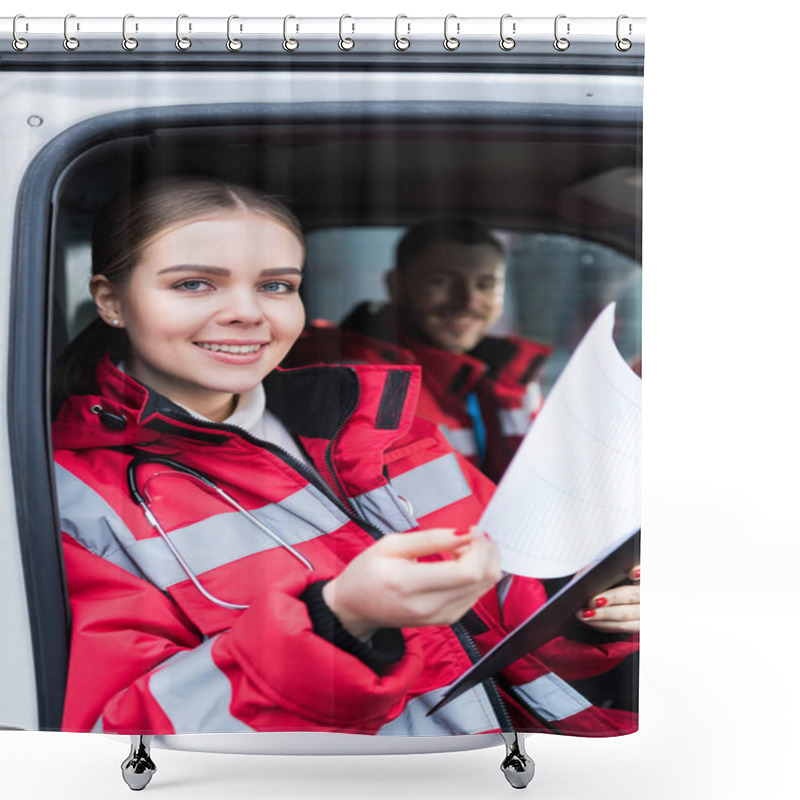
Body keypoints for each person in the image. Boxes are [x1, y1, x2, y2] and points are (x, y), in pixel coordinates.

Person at [52, 177, 639, 738]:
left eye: (276, 285)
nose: (249, 313)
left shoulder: (389, 430)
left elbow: (511, 601)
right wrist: (340, 622)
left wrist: (584, 608)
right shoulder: (72, 499)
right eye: (193, 284)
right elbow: (121, 741)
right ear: (111, 301)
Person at [286, 219, 553, 483]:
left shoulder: (511, 376)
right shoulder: (363, 380)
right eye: (441, 282)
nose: (467, 301)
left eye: (485, 285)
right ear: (396, 286)